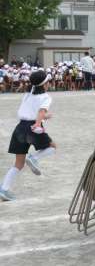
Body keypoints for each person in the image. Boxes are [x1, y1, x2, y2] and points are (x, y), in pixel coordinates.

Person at [0, 70, 56, 201]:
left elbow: (35, 112)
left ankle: (4, 189)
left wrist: (43, 117)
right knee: (52, 147)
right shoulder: (46, 97)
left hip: (20, 128)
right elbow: (41, 111)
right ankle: (34, 158)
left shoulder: (27, 94)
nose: (49, 83)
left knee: (18, 163)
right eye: (47, 81)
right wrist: (38, 123)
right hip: (32, 127)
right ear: (44, 84)